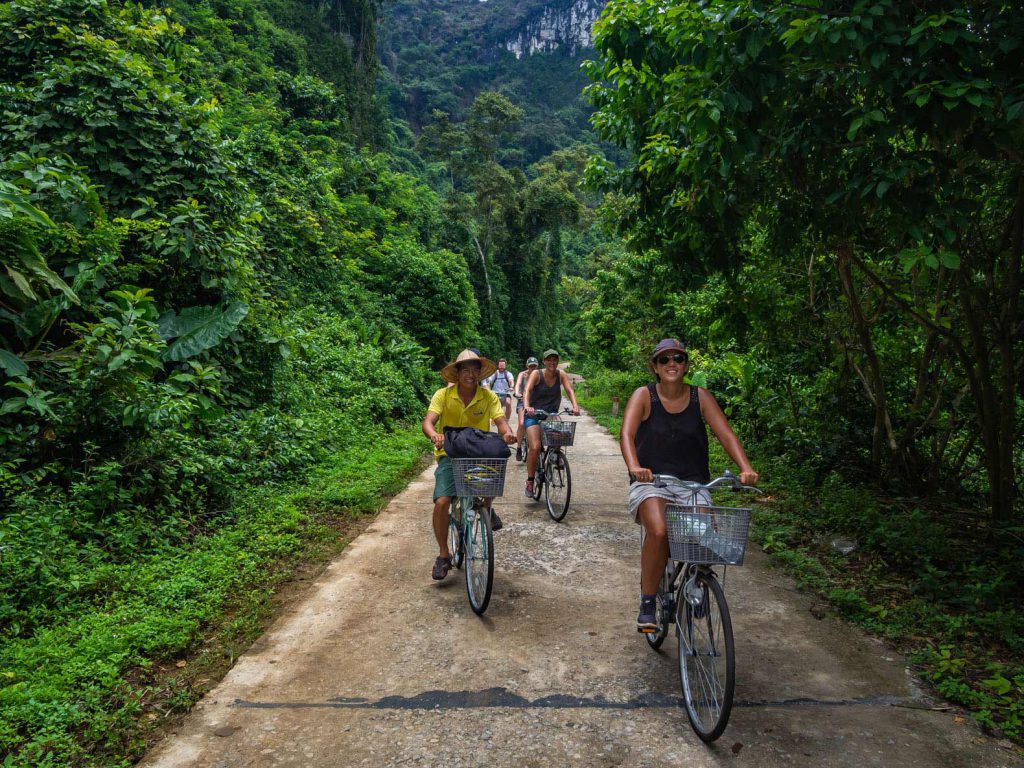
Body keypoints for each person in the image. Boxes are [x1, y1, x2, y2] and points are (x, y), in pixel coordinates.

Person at [620, 338, 758, 632]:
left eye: (678, 359)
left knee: (705, 536)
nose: (672, 363)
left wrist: (745, 467)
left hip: (692, 484)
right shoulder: (644, 396)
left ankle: (696, 584)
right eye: (664, 359)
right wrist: (634, 466)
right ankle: (647, 601)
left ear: (686, 366)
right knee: (658, 530)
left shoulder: (701, 397)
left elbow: (726, 434)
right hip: (653, 482)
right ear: (655, 367)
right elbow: (627, 434)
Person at [422, 349, 517, 581]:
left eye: (475, 370)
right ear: (457, 373)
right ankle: (444, 554)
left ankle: (487, 508)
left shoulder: (488, 396)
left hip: (478, 453)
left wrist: (507, 434)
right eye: (465, 369)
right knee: (442, 501)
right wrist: (435, 435)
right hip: (450, 454)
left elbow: (501, 422)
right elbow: (428, 422)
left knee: (494, 472)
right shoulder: (443, 395)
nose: (470, 374)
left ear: (480, 374)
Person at [522, 349, 580, 497]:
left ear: (558, 361)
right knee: (534, 447)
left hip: (551, 414)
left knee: (560, 431)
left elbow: (569, 390)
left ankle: (555, 454)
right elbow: (527, 391)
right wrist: (527, 406)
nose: (552, 363)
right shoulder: (537, 374)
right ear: (544, 362)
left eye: (555, 360)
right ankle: (530, 481)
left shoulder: (561, 374)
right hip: (534, 414)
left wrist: (575, 405)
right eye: (549, 360)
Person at [512, 357, 539, 461]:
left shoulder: (538, 374)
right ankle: (519, 447)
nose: (532, 368)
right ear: (527, 366)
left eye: (534, 366)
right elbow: (518, 384)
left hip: (535, 402)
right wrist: (517, 392)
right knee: (522, 423)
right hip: (523, 401)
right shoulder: (522, 374)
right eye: (530, 366)